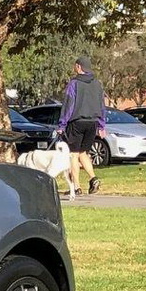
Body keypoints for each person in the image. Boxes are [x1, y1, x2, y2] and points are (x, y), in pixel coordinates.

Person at [57, 55, 105, 199]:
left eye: (75, 66)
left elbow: (69, 104)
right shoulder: (97, 83)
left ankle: (76, 187)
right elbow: (102, 105)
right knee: (83, 152)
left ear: (79, 67)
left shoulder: (74, 83)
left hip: (77, 122)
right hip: (92, 122)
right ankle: (93, 178)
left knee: (73, 153)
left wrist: (62, 124)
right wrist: (102, 125)